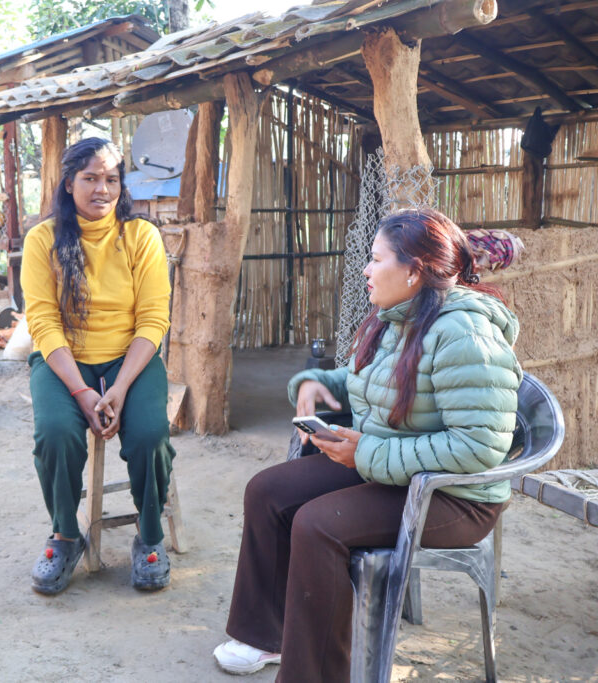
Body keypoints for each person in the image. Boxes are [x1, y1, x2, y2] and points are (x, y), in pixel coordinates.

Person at [213, 208, 522, 680]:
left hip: (454, 495)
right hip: (395, 461)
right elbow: (371, 380)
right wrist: (317, 384)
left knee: (319, 525)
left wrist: (367, 454)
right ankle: (264, 637)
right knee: (267, 491)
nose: (366, 269)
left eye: (376, 260)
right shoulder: (396, 317)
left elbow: (478, 447)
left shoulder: (466, 334)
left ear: (414, 270)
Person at [21, 137, 175, 594]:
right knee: (56, 433)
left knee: (149, 436)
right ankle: (65, 534)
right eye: (90, 178)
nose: (101, 189)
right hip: (64, 360)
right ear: (69, 183)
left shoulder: (141, 236)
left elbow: (153, 319)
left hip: (132, 359)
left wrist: (121, 387)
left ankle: (149, 538)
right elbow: (43, 323)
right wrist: (83, 392)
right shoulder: (42, 240)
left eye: (111, 179)